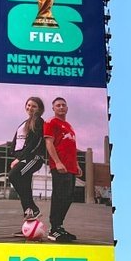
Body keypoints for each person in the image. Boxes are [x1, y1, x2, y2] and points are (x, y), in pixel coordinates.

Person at [43, 96, 81, 242]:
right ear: (53, 108)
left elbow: (72, 147)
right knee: (59, 196)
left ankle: (59, 226)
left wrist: (76, 165)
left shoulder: (69, 126)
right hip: (60, 167)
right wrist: (57, 162)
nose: (61, 107)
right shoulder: (51, 122)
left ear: (67, 108)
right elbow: (49, 144)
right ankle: (53, 229)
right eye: (57, 105)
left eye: (63, 105)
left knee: (68, 197)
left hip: (71, 168)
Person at [7, 95, 46, 220]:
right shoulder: (23, 123)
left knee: (14, 176)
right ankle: (29, 218)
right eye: (28, 105)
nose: (30, 108)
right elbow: (15, 142)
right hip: (22, 157)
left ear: (39, 109)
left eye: (34, 106)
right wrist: (14, 154)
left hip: (33, 158)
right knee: (25, 185)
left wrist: (20, 159)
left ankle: (33, 208)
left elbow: (35, 142)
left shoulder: (39, 121)